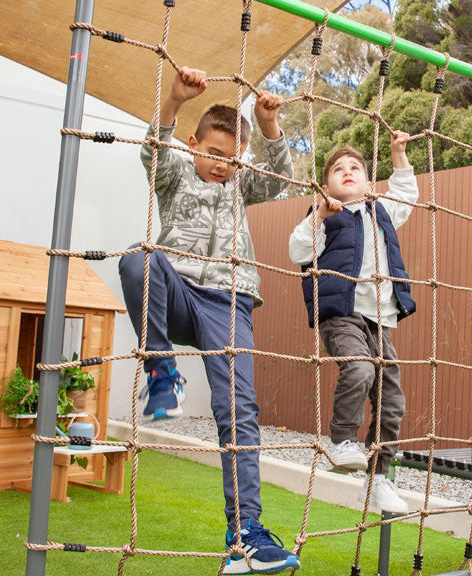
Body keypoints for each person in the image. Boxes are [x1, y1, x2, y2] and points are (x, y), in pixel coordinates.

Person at [119, 66, 299, 574]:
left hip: (228, 301)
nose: (221, 165)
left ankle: (245, 532)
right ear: (194, 144)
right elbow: (152, 148)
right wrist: (174, 101)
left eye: (230, 158)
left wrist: (267, 126)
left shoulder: (243, 186)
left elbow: (282, 178)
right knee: (138, 257)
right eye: (213, 153)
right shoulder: (175, 173)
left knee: (238, 409)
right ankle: (161, 373)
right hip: (174, 293)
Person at [287, 131, 418, 513]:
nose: (347, 172)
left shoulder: (382, 212)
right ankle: (342, 439)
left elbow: (406, 195)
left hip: (380, 320)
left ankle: (379, 480)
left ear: (367, 180)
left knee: (392, 402)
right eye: (338, 169)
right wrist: (319, 218)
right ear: (326, 184)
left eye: (355, 168)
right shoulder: (324, 216)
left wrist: (398, 155)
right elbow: (297, 251)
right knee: (359, 370)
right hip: (342, 314)